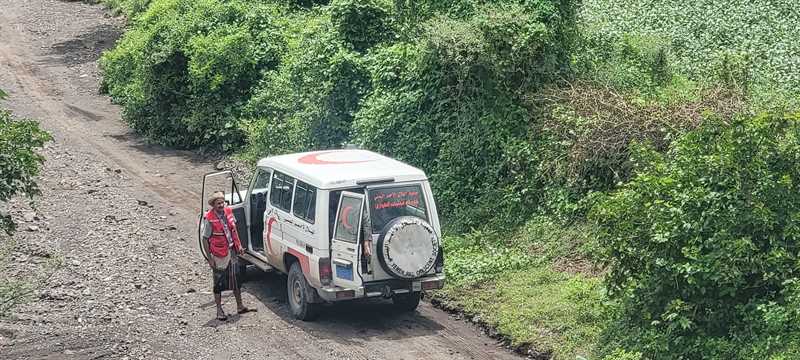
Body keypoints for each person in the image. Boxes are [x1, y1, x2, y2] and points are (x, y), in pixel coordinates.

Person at [201, 191, 254, 320]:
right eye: (218, 203)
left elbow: (234, 231)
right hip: (219, 255)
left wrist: (239, 246)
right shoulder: (209, 219)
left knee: (236, 279)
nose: (221, 205)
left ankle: (240, 306)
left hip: (232, 252)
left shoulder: (229, 212)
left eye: (222, 202)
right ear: (213, 205)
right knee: (218, 283)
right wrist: (210, 259)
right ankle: (219, 311)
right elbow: (204, 239)